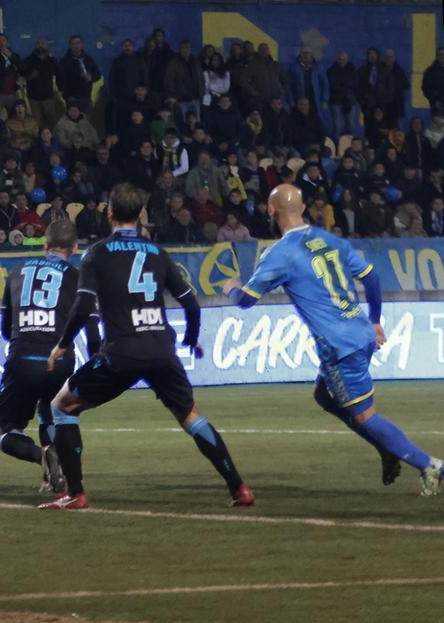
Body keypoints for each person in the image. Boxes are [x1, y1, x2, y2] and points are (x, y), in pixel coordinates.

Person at [40, 183, 253, 510]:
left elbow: (83, 306)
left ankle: (76, 493)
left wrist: (63, 345)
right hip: (161, 350)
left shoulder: (96, 253)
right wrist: (191, 338)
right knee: (190, 415)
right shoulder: (157, 252)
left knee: (61, 406)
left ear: (109, 212)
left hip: (122, 352)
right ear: (140, 215)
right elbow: (191, 304)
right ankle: (239, 488)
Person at [223, 184, 444, 496]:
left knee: (365, 416)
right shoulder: (329, 240)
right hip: (361, 333)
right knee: (324, 396)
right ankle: (386, 448)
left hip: (340, 346)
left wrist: (231, 286)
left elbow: (245, 300)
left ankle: (429, 464)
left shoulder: (280, 254)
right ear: (302, 209)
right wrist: (376, 320)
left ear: (271, 211)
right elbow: (371, 276)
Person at [0, 220, 101, 492]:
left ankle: (41, 456)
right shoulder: (79, 278)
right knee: (56, 415)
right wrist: (96, 366)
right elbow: (92, 333)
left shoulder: (17, 272)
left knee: (3, 433)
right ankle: (62, 474)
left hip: (22, 359)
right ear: (75, 248)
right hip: (61, 360)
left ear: (45, 244)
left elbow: (6, 330)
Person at [23, 40, 61, 131]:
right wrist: (32, 74)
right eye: (38, 44)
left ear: (47, 46)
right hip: (33, 98)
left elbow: (59, 75)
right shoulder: (28, 60)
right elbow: (24, 75)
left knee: (52, 121)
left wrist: (61, 89)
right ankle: (39, 141)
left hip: (48, 97)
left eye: (43, 44)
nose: (40, 46)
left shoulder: (52, 61)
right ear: (35, 46)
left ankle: (52, 142)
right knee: (36, 123)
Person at [57, 35, 101, 114]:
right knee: (74, 125)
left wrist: (91, 77)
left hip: (86, 98)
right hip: (72, 99)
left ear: (82, 44)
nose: (76, 46)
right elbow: (61, 81)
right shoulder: (64, 62)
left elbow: (98, 74)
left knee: (87, 124)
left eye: (78, 43)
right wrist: (67, 96)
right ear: (69, 46)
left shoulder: (88, 59)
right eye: (73, 44)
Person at [0, 33, 23, 111]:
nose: (1, 42)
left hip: (12, 91)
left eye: (3, 40)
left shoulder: (12, 53)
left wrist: (10, 56)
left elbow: (20, 65)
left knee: (13, 115)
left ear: (7, 42)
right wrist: (12, 69)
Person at [421, 47, 444, 115]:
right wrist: (435, 101)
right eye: (440, 54)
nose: (442, 56)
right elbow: (426, 88)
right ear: (437, 56)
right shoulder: (430, 72)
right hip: (437, 107)